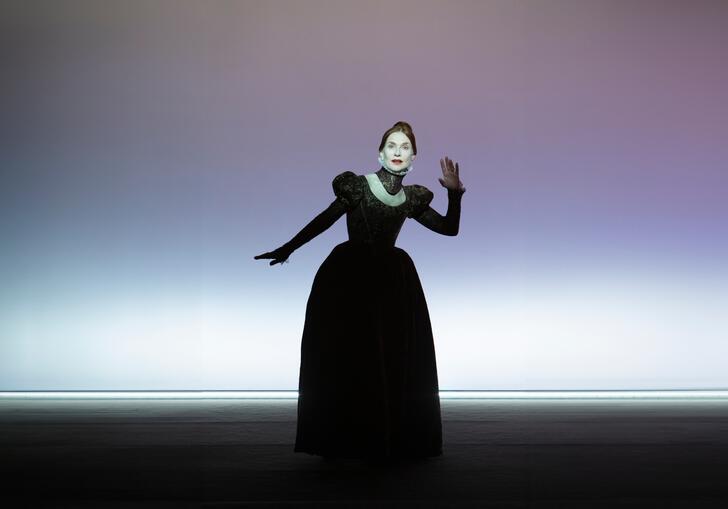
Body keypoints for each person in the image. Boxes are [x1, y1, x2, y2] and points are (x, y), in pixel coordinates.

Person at [255, 121, 465, 461]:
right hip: (351, 277)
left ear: (414, 156)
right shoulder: (359, 186)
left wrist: (454, 195)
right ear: (380, 153)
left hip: (392, 283)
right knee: (351, 355)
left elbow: (448, 229)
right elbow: (325, 218)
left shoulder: (412, 197)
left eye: (405, 147)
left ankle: (386, 437)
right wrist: (288, 248)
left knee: (389, 356)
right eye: (392, 146)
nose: (398, 152)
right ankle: (346, 438)